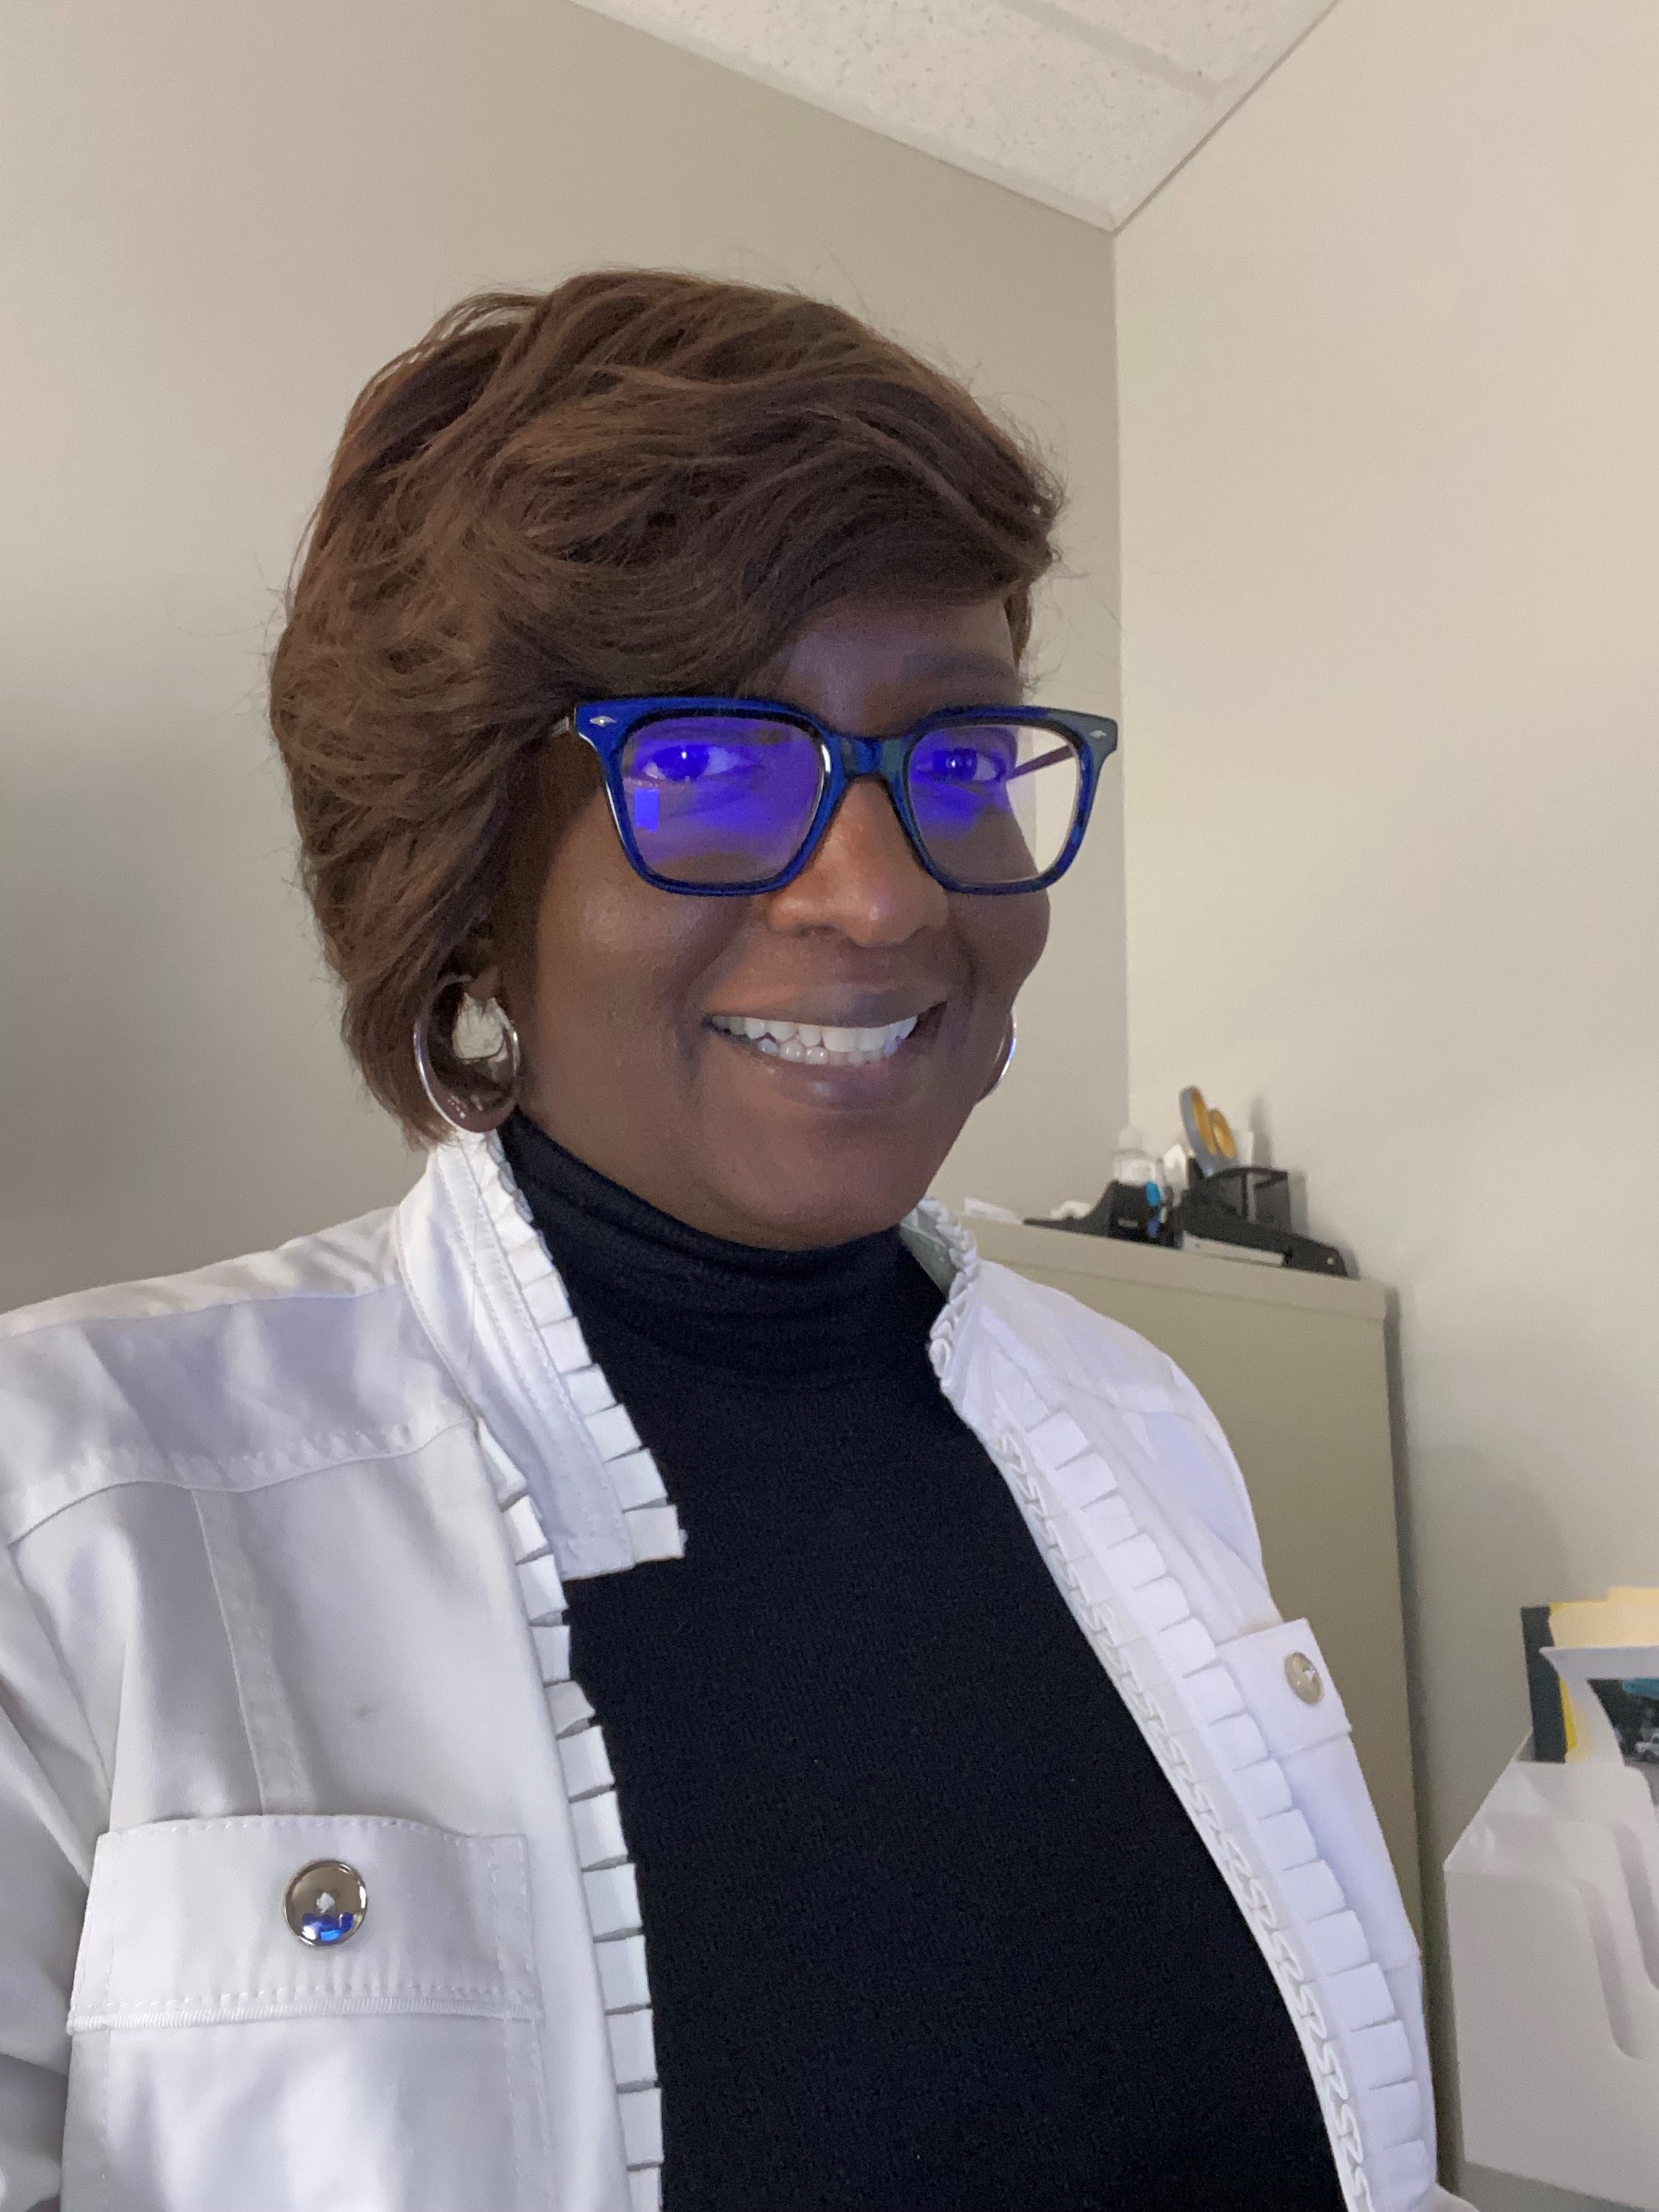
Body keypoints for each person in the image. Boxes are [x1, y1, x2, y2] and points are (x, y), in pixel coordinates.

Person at [0, 271, 1461, 2212]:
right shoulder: (78, 1490)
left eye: (956, 758)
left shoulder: (1141, 1421)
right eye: (704, 761)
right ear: (464, 864)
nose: (877, 897)